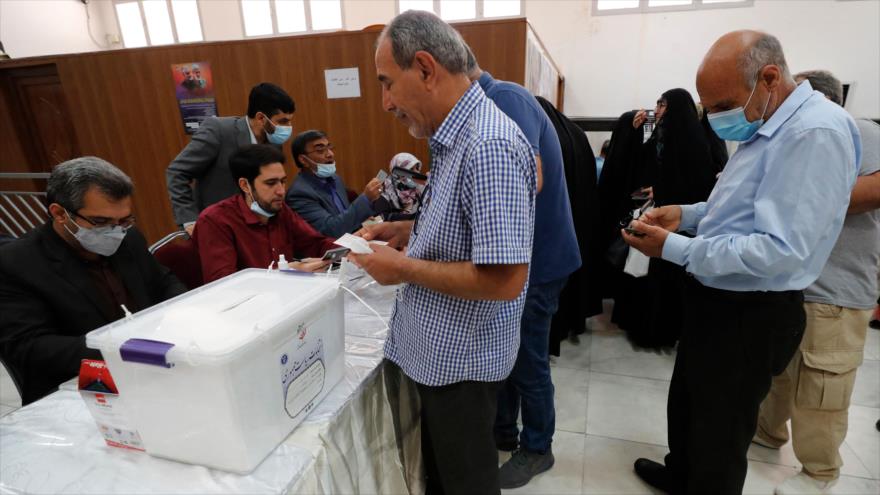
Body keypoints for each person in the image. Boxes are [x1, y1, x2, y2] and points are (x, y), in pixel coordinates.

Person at [623, 31, 860, 493]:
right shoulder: (763, 124)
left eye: (720, 106)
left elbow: (779, 248)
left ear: (769, 78)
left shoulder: (815, 132)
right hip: (716, 295)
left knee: (722, 429)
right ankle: (682, 473)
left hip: (751, 309)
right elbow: (737, 206)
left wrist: (672, 249)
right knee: (690, 400)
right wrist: (686, 215)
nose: (713, 120)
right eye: (706, 108)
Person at [352, 11, 537, 494]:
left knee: (466, 483)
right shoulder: (455, 138)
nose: (386, 102)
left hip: (463, 363)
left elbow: (504, 279)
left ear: (427, 69)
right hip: (443, 356)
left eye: (388, 84)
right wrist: (407, 231)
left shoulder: (488, 145)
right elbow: (469, 234)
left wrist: (403, 269)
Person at [754, 69, 880, 495]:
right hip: (795, 285)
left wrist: (801, 194)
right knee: (783, 374)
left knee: (822, 388)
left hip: (838, 292)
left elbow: (874, 188)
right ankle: (770, 432)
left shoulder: (856, 129)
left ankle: (819, 473)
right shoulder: (798, 138)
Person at [465, 46, 580, 488]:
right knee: (511, 353)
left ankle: (537, 449)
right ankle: (504, 431)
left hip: (540, 262)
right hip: (531, 257)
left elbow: (526, 176)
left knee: (528, 360)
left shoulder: (505, 99)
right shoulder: (502, 100)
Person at [0, 157, 186, 405]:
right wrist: (122, 349)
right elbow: (28, 347)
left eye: (124, 220)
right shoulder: (17, 263)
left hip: (150, 373)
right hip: (76, 389)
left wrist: (184, 316)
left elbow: (164, 282)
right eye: (100, 222)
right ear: (59, 213)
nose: (115, 230)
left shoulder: (127, 238)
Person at [617, 88, 728, 349]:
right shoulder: (660, 132)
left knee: (666, 282)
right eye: (657, 103)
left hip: (680, 225)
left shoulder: (699, 138)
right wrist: (639, 130)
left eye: (663, 104)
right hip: (660, 215)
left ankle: (661, 331)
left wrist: (665, 191)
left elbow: (700, 181)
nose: (658, 109)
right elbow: (642, 163)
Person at [193, 145, 338, 283]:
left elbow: (316, 243)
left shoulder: (280, 210)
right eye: (271, 183)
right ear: (245, 185)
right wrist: (288, 272)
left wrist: (352, 248)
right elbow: (224, 283)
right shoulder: (215, 220)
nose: (281, 191)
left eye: (283, 182)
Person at [166, 82, 295, 235]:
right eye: (282, 121)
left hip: (258, 228)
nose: (288, 127)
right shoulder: (219, 131)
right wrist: (189, 220)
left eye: (289, 120)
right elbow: (177, 172)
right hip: (218, 228)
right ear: (261, 118)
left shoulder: (273, 142)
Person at [285, 130, 383, 237]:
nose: (330, 154)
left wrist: (363, 221)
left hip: (352, 241)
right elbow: (331, 231)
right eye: (320, 150)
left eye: (329, 148)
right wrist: (366, 198)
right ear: (303, 160)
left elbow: (345, 220)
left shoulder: (335, 179)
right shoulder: (299, 194)